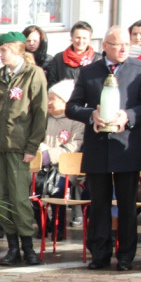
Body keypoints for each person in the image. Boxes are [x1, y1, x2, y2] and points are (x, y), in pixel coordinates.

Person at [66, 25, 141, 271]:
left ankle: (125, 256)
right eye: (117, 44)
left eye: (127, 43)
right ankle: (100, 254)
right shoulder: (89, 72)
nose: (124, 48)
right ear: (105, 46)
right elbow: (71, 107)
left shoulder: (140, 70)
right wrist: (91, 115)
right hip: (97, 147)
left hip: (126, 145)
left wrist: (128, 116)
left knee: (127, 205)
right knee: (99, 203)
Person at [0, 31, 47, 266]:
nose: (0, 54)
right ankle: (13, 246)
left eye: (4, 50)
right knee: (4, 199)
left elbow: (39, 113)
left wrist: (32, 146)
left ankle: (28, 247)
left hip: (19, 147)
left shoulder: (33, 74)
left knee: (19, 198)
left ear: (17, 50)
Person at [35, 80, 85, 238]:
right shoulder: (44, 118)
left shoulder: (76, 120)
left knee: (58, 190)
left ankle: (59, 228)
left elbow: (75, 144)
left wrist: (51, 154)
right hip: (43, 166)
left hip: (65, 169)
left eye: (53, 99)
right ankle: (43, 224)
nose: (49, 102)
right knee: (33, 192)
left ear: (65, 101)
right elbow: (36, 138)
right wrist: (42, 150)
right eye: (48, 98)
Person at [46, 21, 97, 87]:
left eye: (84, 38)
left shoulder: (97, 59)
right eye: (78, 38)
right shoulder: (59, 59)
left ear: (90, 39)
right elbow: (52, 83)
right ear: (72, 38)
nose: (81, 41)